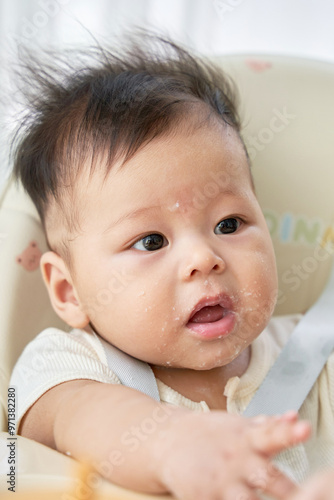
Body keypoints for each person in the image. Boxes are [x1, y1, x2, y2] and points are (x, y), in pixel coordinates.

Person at [10, 33, 334, 500]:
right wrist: (169, 446)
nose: (204, 258)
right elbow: (76, 416)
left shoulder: (316, 353)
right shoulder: (69, 366)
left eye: (229, 223)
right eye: (151, 240)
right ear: (68, 291)